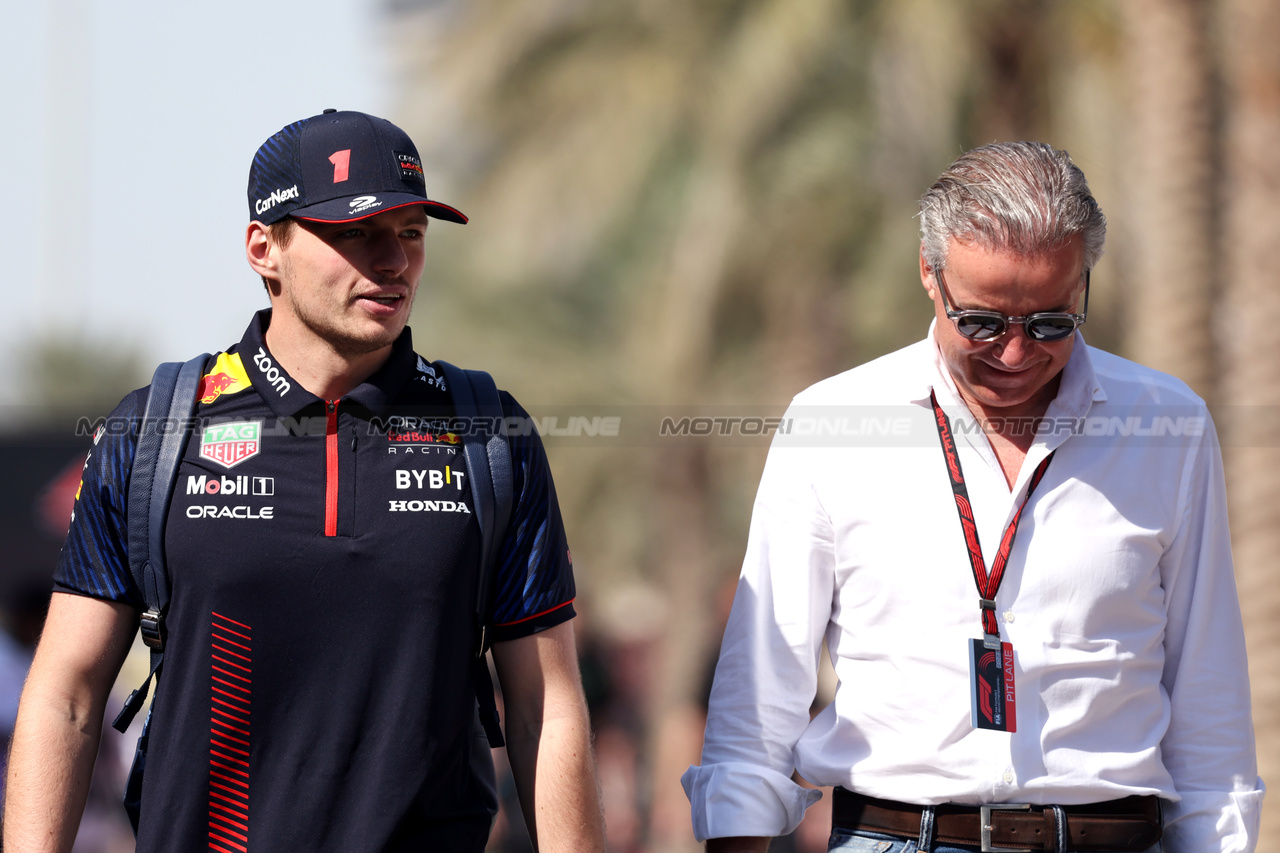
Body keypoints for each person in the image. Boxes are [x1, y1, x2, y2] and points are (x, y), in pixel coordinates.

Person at [4, 109, 607, 852]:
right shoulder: (155, 431)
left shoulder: (487, 431)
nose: (394, 260)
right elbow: (65, 697)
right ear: (265, 248)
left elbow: (547, 705)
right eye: (356, 233)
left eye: (412, 233)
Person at [682, 142, 1263, 852]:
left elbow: (1209, 697)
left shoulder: (1169, 425)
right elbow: (760, 695)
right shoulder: (831, 425)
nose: (1015, 354)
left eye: (1051, 322)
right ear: (929, 273)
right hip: (895, 835)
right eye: (982, 321)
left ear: (1083, 285)